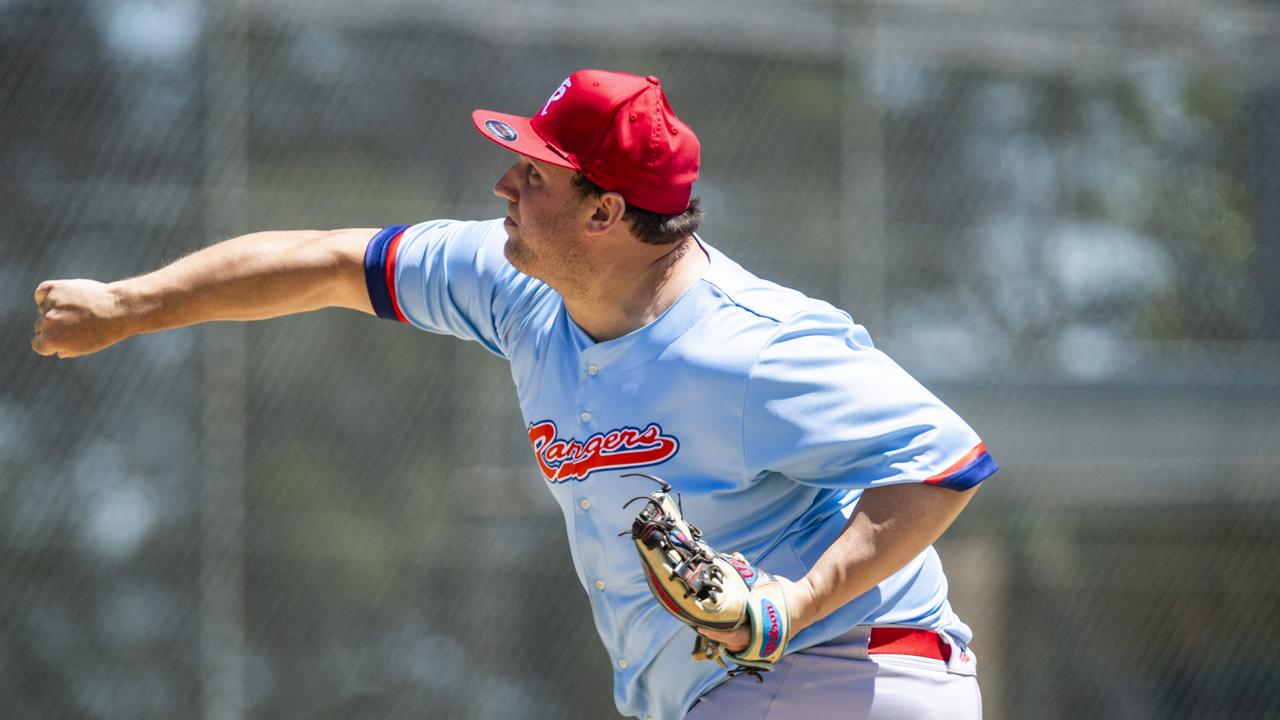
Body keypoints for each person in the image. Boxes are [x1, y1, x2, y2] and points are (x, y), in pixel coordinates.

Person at [31, 69, 996, 720]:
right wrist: (130, 305)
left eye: (533, 173)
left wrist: (794, 600)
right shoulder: (515, 286)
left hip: (849, 674)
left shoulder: (749, 346)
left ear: (607, 211)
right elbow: (326, 264)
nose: (502, 183)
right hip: (734, 691)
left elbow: (944, 462)